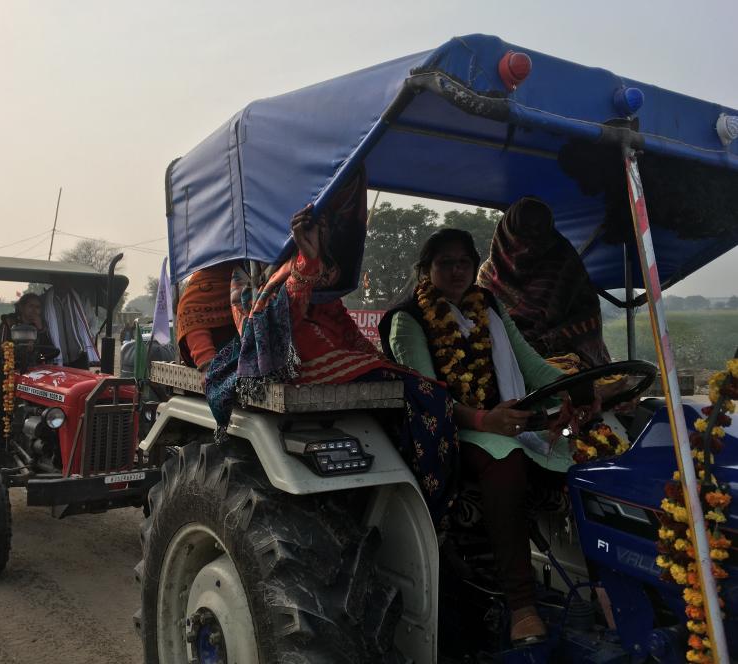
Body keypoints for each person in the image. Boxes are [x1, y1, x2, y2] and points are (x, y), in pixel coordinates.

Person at [205, 168, 459, 526]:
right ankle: (431, 514)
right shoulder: (248, 277)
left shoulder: (325, 276)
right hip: (296, 364)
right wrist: (305, 264)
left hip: (340, 358)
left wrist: (381, 362)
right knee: (429, 399)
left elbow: (342, 325)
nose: (324, 233)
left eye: (327, 226)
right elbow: (266, 333)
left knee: (424, 393)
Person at [380, 228, 593, 646]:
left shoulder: (488, 305)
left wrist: (584, 389)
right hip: (445, 432)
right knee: (505, 460)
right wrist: (484, 420)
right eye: (446, 263)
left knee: (591, 446)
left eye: (464, 262)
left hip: (503, 421)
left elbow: (531, 366)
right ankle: (521, 606)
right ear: (427, 270)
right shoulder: (407, 319)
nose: (457, 271)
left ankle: (597, 581)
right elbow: (428, 399)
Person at [476, 197, 611, 368]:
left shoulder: (565, 263)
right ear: (508, 232)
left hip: (575, 358)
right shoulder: (489, 275)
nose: (531, 239)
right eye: (524, 230)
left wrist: (544, 344)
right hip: (507, 358)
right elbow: (485, 323)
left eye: (539, 229)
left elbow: (585, 316)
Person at [176, 263, 238, 372]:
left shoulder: (253, 268)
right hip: (220, 360)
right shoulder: (202, 286)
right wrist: (207, 363)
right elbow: (191, 319)